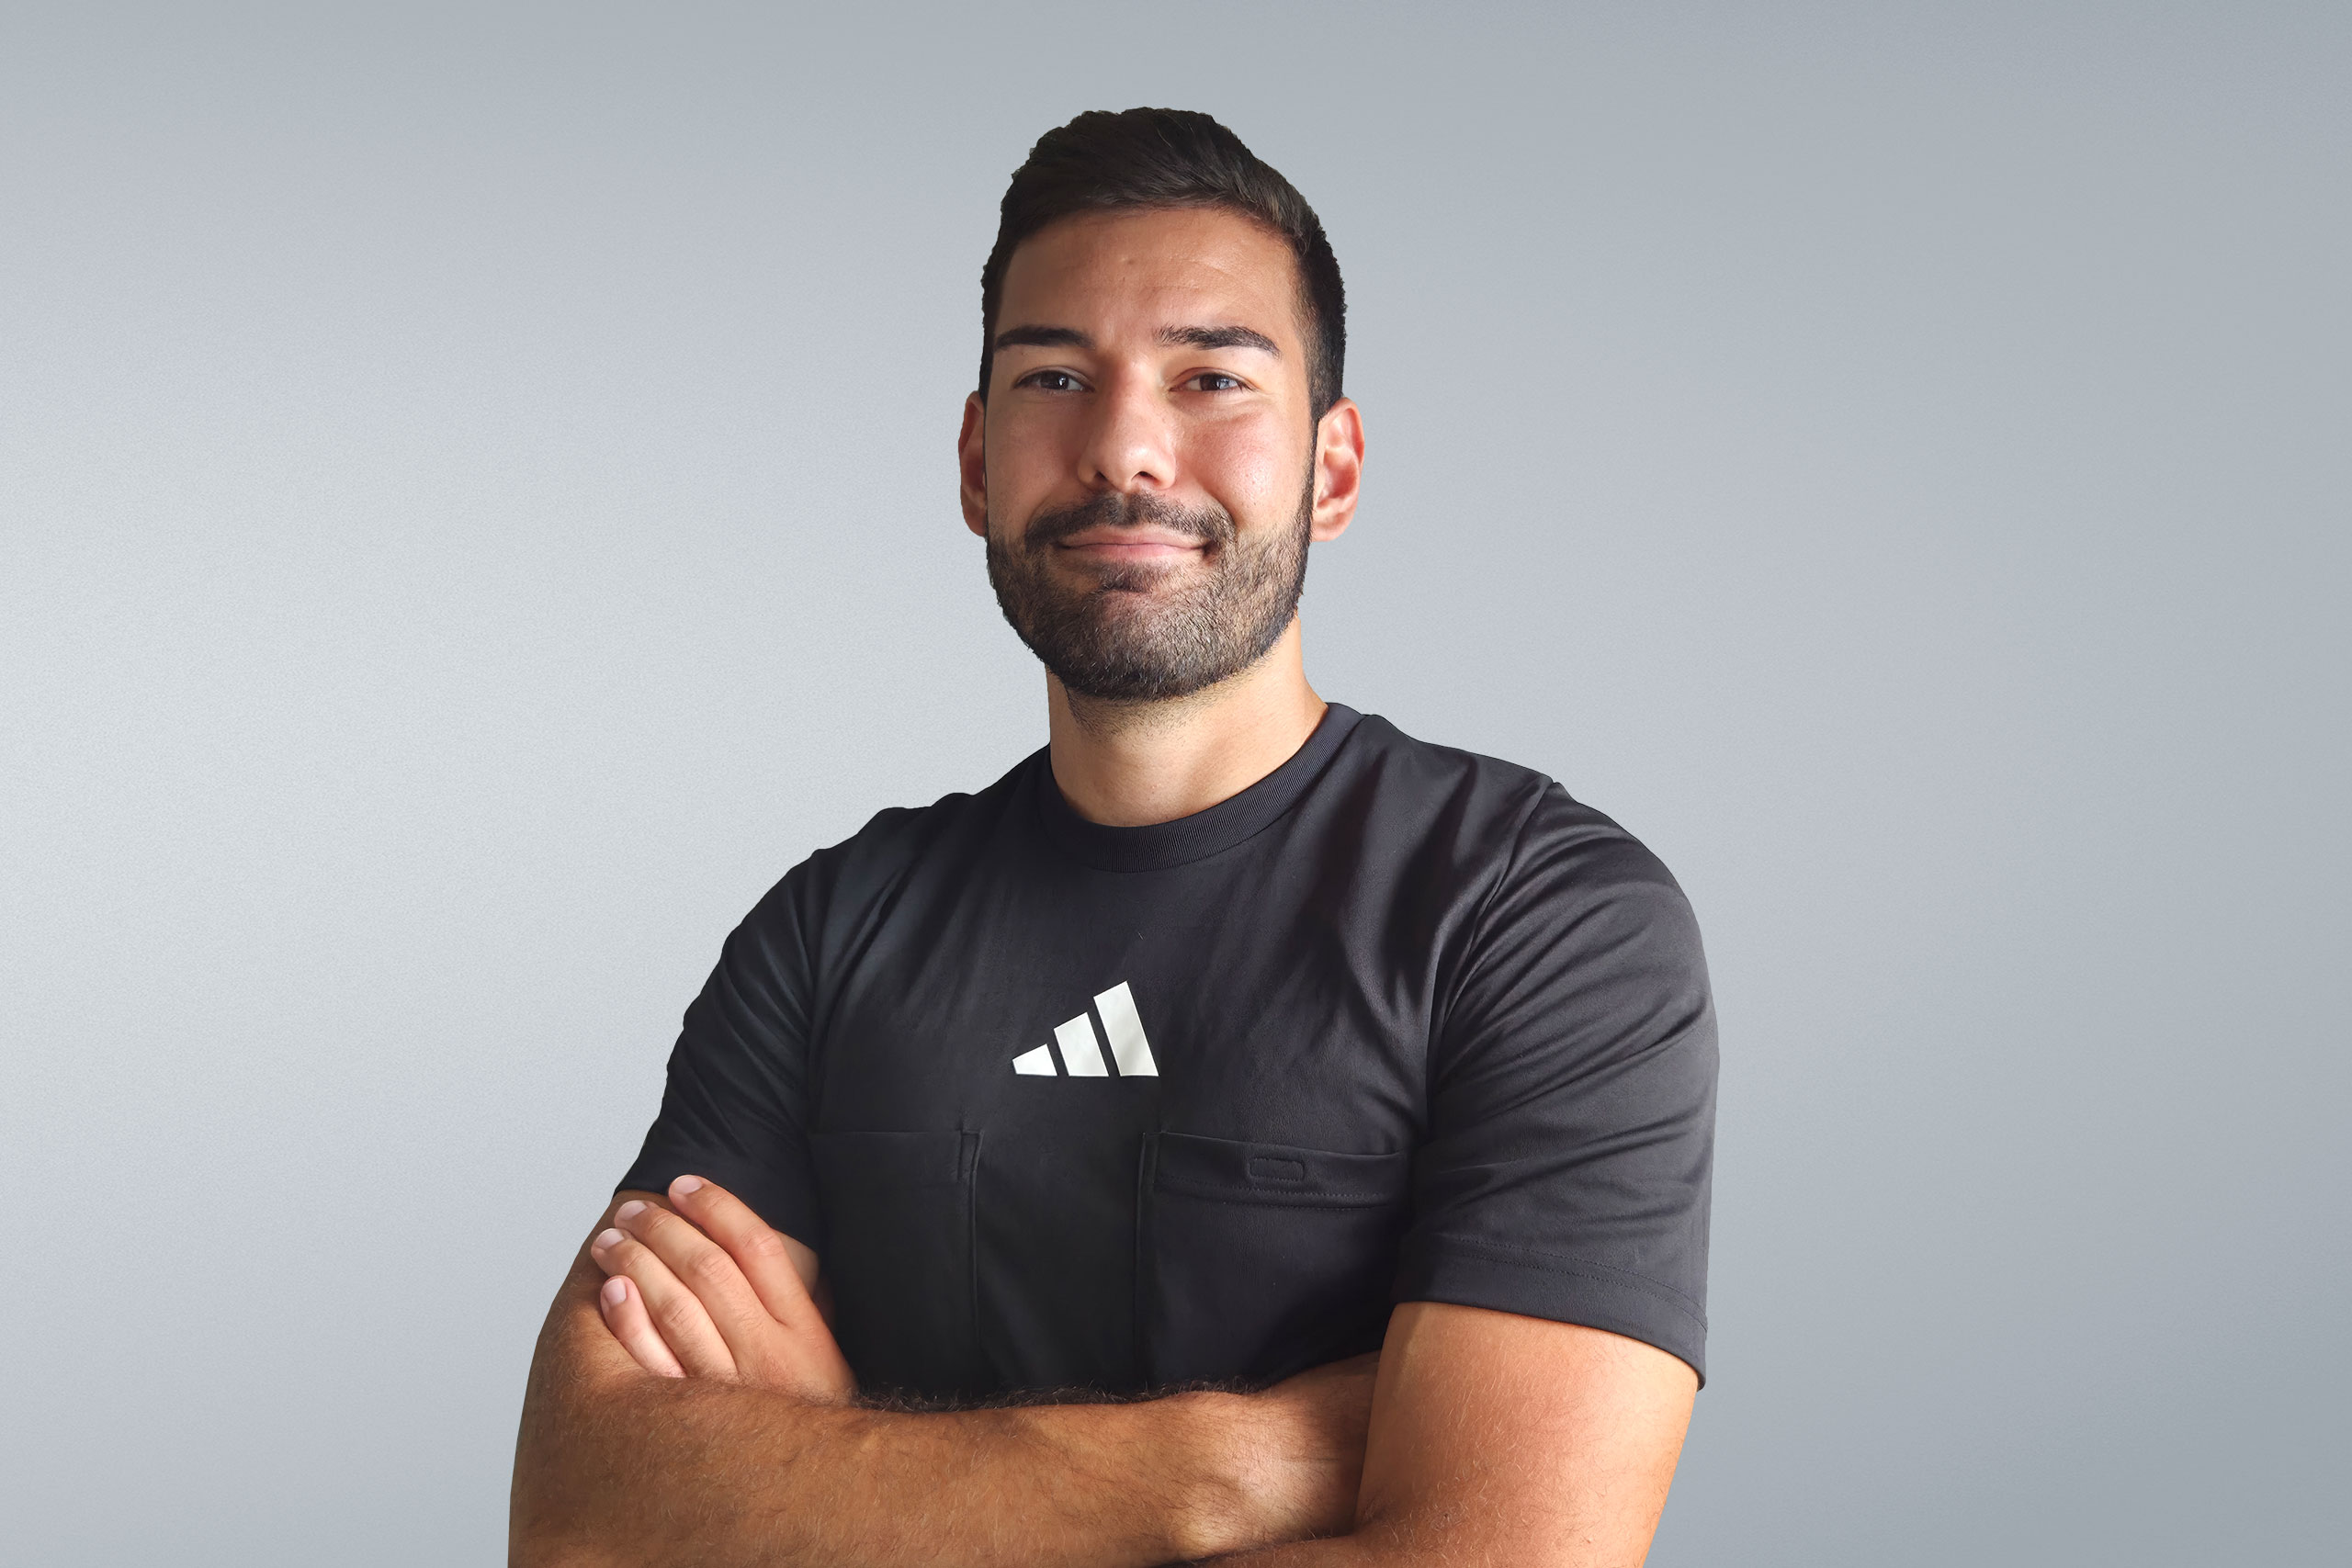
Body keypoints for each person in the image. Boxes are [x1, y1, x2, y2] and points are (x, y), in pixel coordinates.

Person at [511, 107, 1717, 1567]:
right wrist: (1222, 1467)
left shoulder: (1537, 921)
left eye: (1211, 378)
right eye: (1055, 377)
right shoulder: (829, 938)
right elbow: (580, 1522)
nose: (1126, 448)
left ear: (1332, 472)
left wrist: (834, 1477)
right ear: (977, 463)